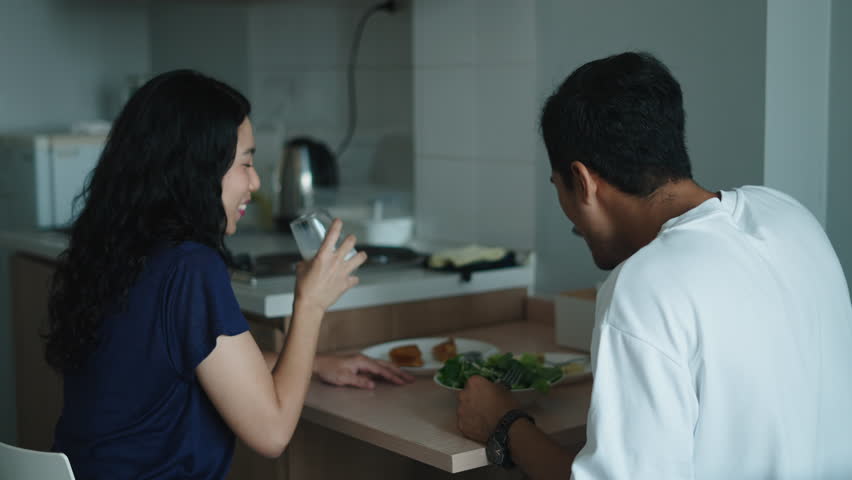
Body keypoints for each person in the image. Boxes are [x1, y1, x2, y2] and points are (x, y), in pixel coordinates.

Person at [456, 52, 852, 479]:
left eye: (560, 189)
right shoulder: (789, 214)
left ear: (583, 182)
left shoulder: (644, 285)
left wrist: (506, 423)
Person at [44, 69, 414, 479]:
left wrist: (315, 362)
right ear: (197, 169)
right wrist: (309, 304)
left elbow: (189, 359)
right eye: (245, 163)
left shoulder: (118, 250)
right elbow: (272, 434)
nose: (254, 182)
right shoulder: (189, 266)